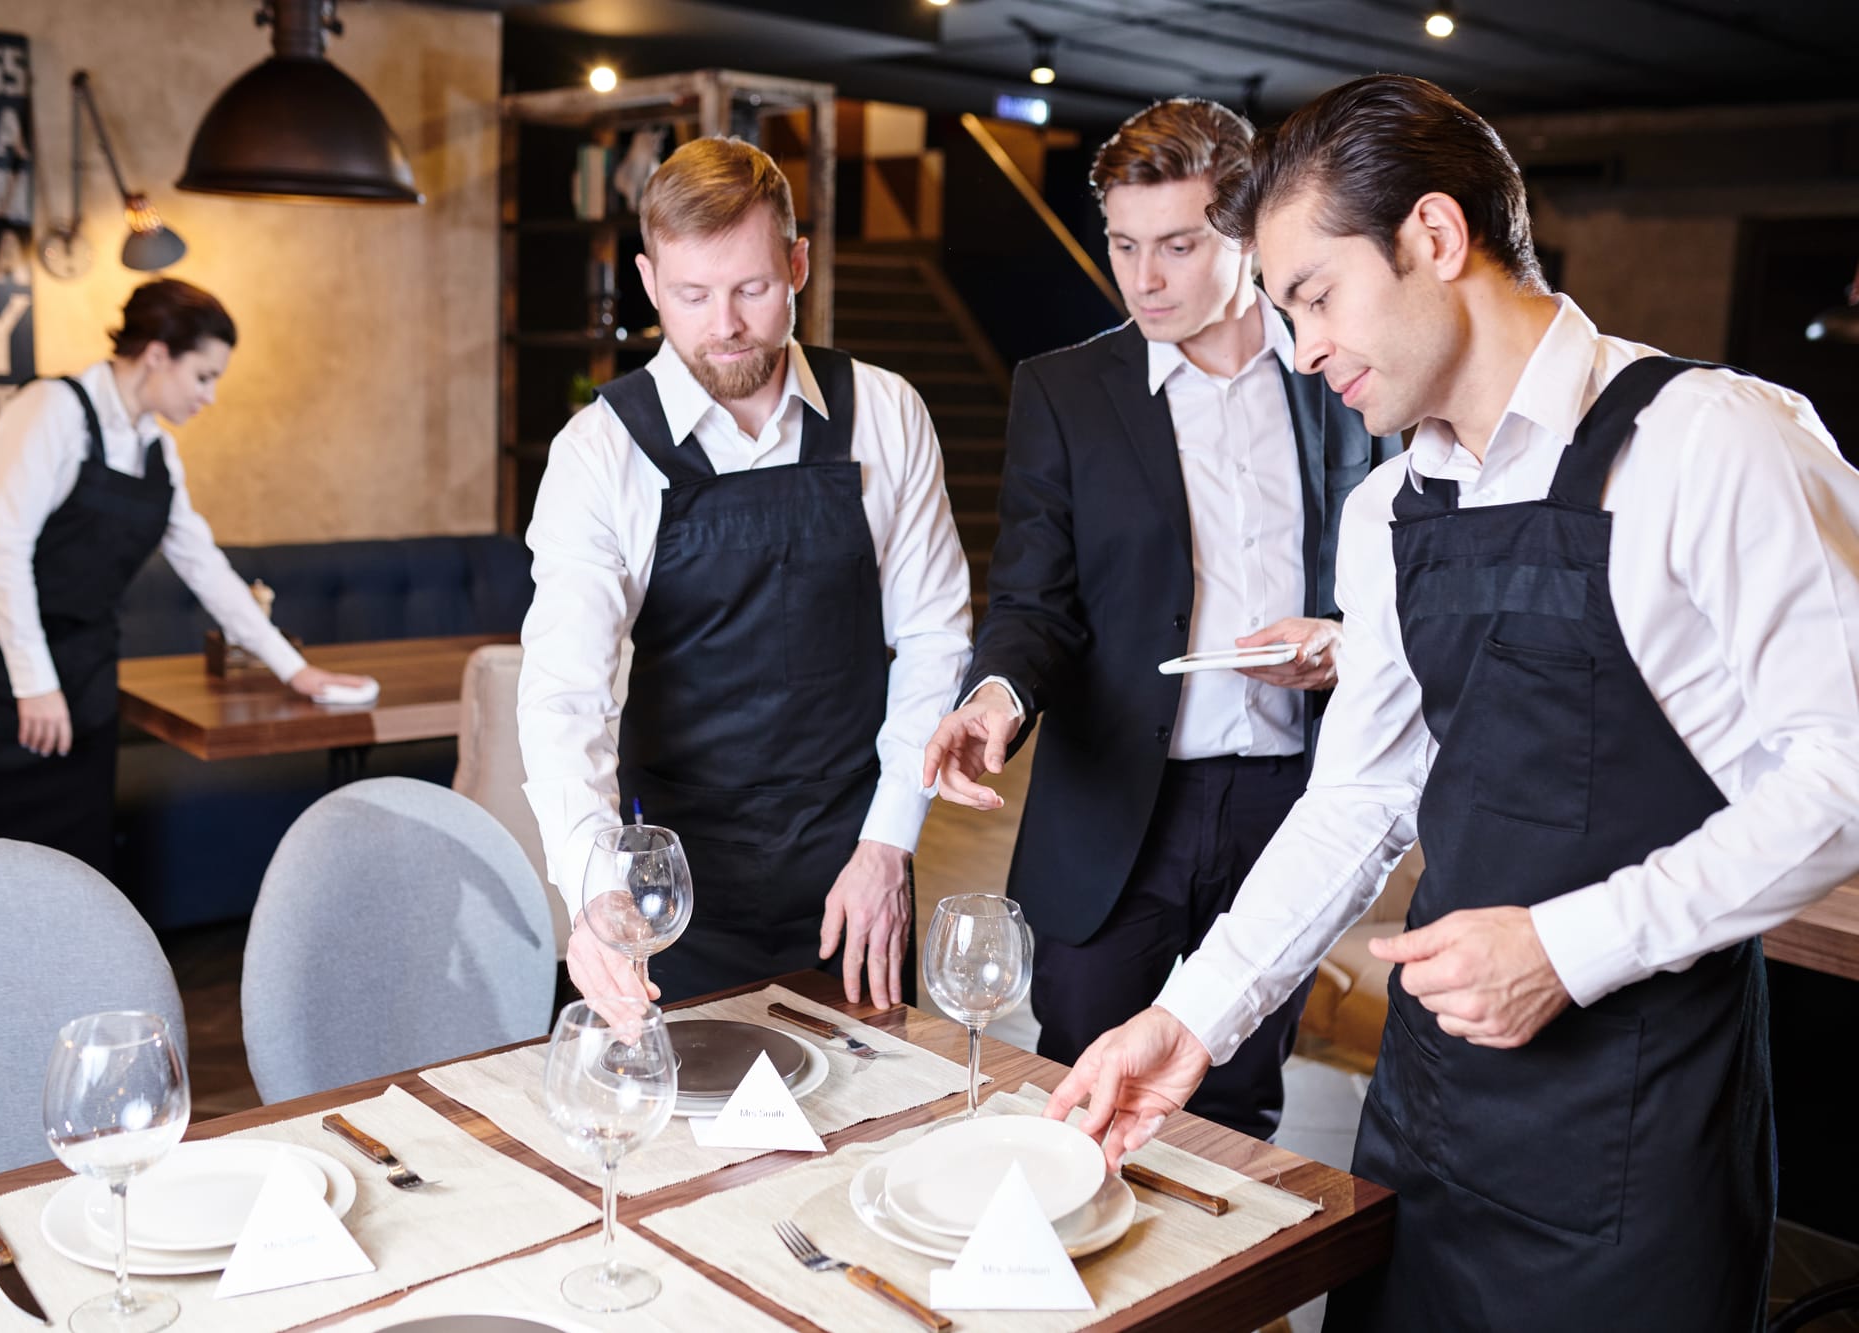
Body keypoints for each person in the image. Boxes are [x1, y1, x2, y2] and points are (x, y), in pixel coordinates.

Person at [1045, 74, 1859, 1330]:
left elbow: (1839, 776)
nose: (1302, 347)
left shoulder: (1716, 440)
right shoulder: (1385, 517)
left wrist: (1564, 949)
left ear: (1432, 236)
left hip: (1636, 1128)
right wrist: (1188, 1019)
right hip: (1425, 1108)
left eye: (1313, 296)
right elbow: (1359, 799)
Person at [921, 98, 1396, 1138]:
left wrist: (1344, 639)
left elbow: (1398, 575)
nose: (1143, 278)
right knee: (1084, 1095)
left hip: (1287, 805)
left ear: (1244, 233)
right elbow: (1033, 599)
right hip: (1111, 816)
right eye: (1124, 244)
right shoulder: (1061, 390)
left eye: (1177, 246)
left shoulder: (1342, 378)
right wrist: (993, 697)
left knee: (1235, 1105)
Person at [517, 137, 972, 1013]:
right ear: (650, 283)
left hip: (852, 871)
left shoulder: (885, 412)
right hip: (668, 889)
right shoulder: (598, 452)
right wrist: (593, 885)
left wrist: (889, 846)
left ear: (798, 264)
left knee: (874, 1125)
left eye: (751, 289)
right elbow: (565, 696)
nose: (723, 324)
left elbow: (931, 639)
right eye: (691, 295)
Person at [0, 279, 373, 876]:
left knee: (73, 860)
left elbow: (205, 567)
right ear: (156, 355)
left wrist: (294, 669)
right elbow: (2, 554)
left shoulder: (156, 449)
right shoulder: (50, 411)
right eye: (204, 376)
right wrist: (33, 685)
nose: (210, 396)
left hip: (84, 667)